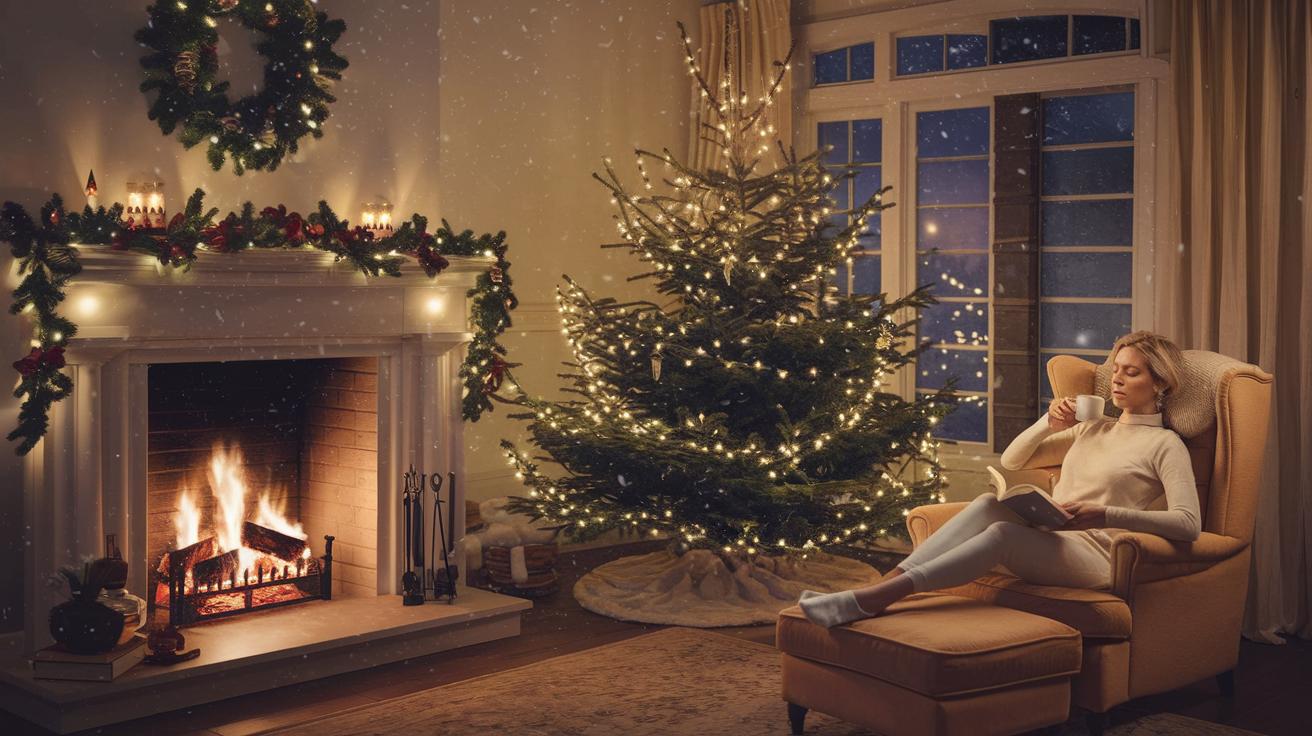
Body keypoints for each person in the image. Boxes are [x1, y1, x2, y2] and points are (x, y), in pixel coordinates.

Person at [799, 330, 1201, 628]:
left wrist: (1105, 514)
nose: (1116, 380)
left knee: (1002, 537)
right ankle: (871, 594)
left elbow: (1188, 523)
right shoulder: (1093, 428)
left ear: (1160, 383)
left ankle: (872, 599)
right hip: (1055, 536)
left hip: (1096, 557)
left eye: (1130, 373)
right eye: (1115, 369)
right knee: (988, 505)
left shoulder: (1165, 445)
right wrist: (1048, 422)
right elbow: (1014, 459)